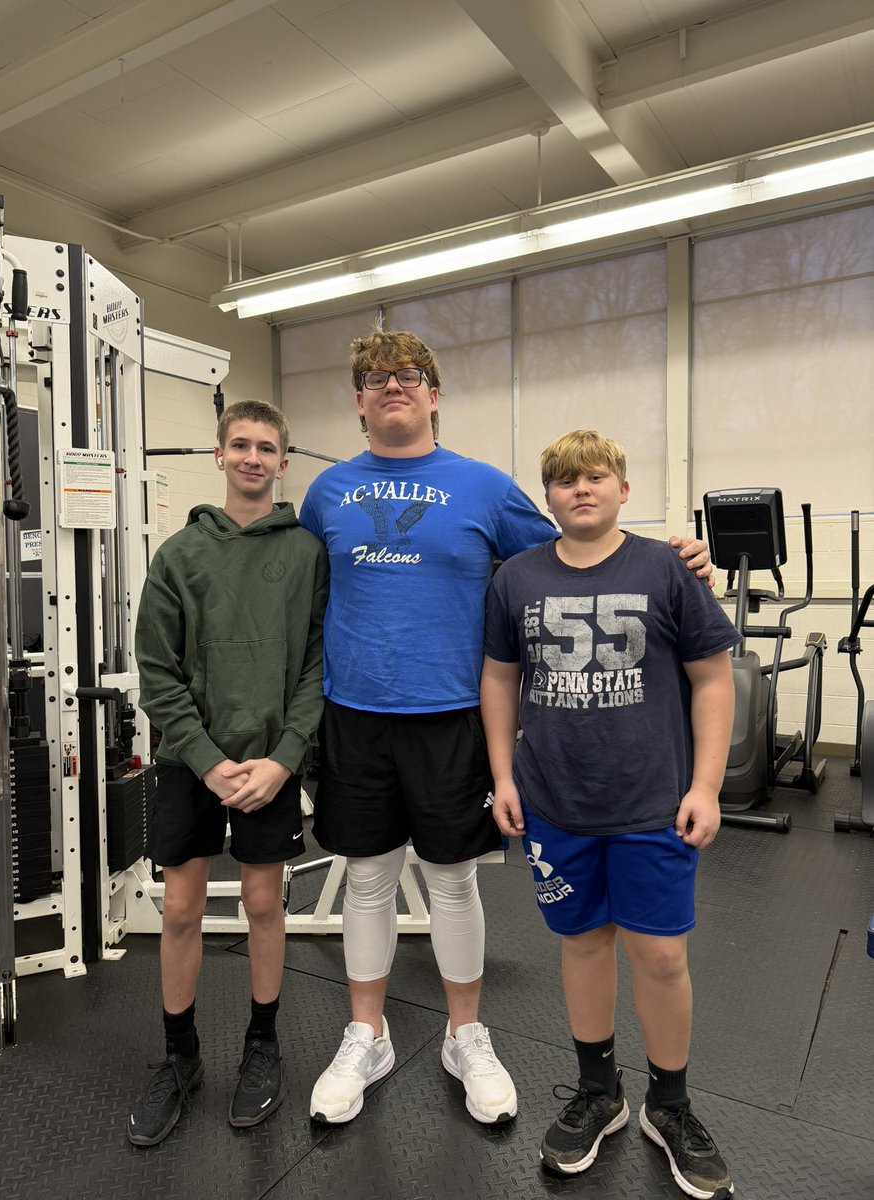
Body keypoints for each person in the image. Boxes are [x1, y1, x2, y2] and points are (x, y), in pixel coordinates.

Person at [299, 329, 713, 1130]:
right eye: (376, 378)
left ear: (434, 394)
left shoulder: (484, 488)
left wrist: (674, 549)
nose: (394, 386)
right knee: (368, 876)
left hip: (451, 714)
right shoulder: (326, 493)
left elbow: (583, 545)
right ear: (356, 400)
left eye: (410, 375)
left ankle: (466, 1036)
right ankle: (365, 1034)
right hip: (355, 714)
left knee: (453, 880)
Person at [480, 429, 738, 1198]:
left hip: (653, 801)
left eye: (596, 477)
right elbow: (499, 681)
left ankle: (671, 1105)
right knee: (584, 945)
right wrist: (503, 778)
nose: (580, 489)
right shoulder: (515, 578)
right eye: (563, 481)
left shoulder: (667, 568)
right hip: (554, 802)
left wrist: (708, 787)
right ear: (548, 498)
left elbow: (714, 680)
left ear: (623, 489)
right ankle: (601, 1093)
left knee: (659, 956)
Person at [128, 400, 328, 1147]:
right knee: (178, 911)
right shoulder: (180, 555)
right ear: (218, 456)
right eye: (239, 444)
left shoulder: (307, 553)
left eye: (266, 447)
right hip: (192, 764)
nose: (252, 456)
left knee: (263, 904)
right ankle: (179, 1058)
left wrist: (285, 758)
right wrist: (210, 765)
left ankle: (263, 1045)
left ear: (284, 462)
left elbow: (316, 666)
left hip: (271, 765)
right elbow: (157, 673)